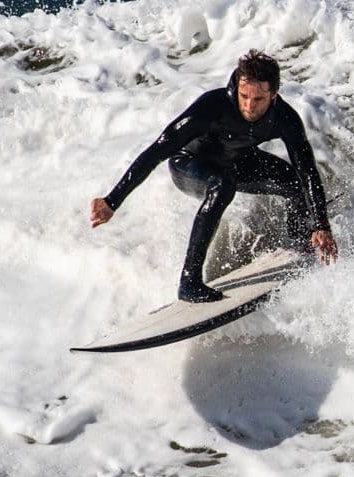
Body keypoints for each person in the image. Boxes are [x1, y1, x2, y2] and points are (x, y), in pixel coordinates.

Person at [89, 51, 338, 302]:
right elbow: (155, 152)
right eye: (244, 96)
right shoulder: (212, 107)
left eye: (258, 99)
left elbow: (307, 171)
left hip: (237, 160)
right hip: (190, 164)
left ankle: (300, 241)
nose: (249, 106)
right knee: (222, 185)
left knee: (292, 180)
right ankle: (189, 282)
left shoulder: (284, 118)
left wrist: (321, 225)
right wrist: (112, 201)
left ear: (273, 95)